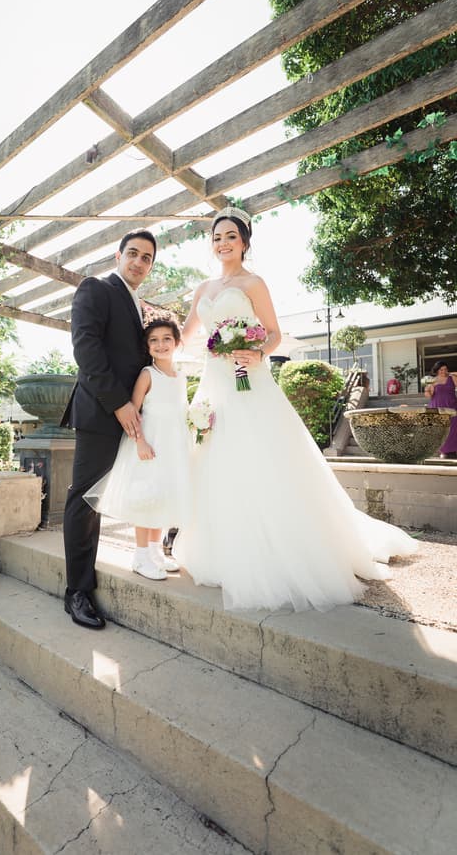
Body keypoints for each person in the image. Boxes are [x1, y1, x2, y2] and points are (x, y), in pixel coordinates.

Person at [174, 205, 418, 613]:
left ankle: (277, 549)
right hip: (214, 384)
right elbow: (181, 337)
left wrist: (255, 352)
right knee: (214, 459)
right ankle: (218, 548)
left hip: (249, 382)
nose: (222, 243)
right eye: (217, 237)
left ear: (244, 242)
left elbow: (273, 334)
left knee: (261, 458)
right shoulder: (202, 290)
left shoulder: (254, 283)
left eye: (230, 236)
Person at [61, 229, 157, 629]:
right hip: (102, 412)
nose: (138, 261)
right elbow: (86, 349)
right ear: (118, 255)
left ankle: (150, 552)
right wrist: (119, 404)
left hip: (135, 416)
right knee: (84, 500)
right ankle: (77, 592)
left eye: (147, 258)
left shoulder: (138, 304)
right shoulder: (95, 288)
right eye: (132, 253)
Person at [84, 319, 190, 580]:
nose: (161, 344)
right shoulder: (147, 374)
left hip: (172, 447)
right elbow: (133, 411)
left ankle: (155, 553)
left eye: (167, 338)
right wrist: (140, 441)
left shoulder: (181, 376)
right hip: (149, 444)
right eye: (154, 340)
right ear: (147, 346)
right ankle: (140, 556)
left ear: (177, 342)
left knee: (162, 497)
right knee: (146, 498)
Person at [424, 360, 457, 458]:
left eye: (445, 369)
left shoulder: (452, 378)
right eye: (441, 369)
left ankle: (454, 449)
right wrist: (428, 390)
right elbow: (428, 395)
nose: (443, 371)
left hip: (452, 406)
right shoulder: (433, 380)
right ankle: (443, 451)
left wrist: (451, 373)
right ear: (437, 370)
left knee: (453, 429)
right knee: (441, 429)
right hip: (437, 407)